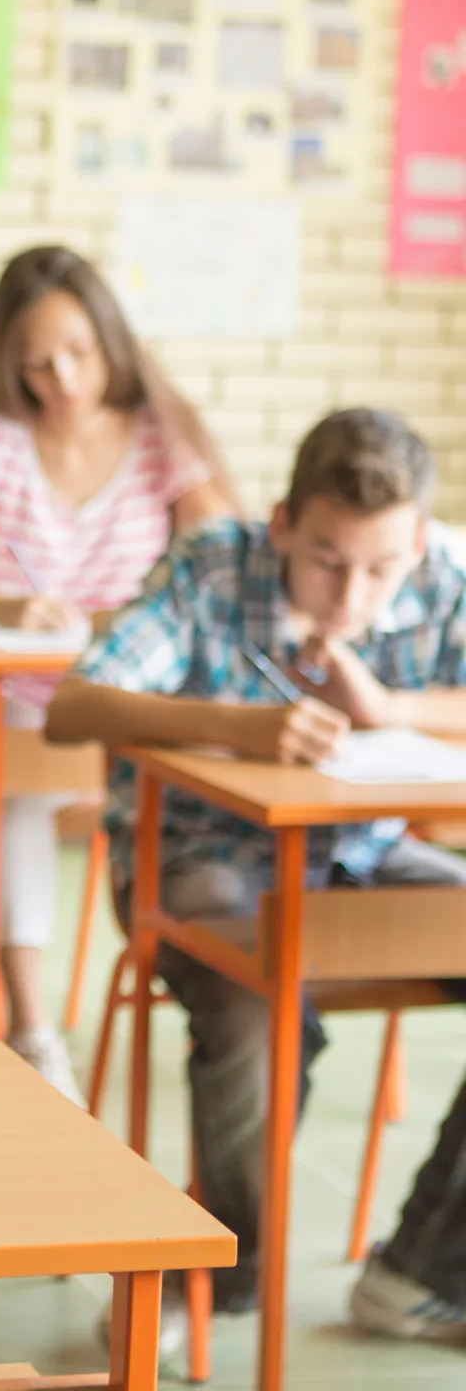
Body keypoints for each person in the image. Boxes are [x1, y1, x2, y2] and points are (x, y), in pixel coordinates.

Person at [47, 408, 466, 1348]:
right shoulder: (211, 567)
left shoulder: (442, 576)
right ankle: (217, 1275)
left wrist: (391, 705)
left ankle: (422, 1271)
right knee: (252, 998)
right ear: (281, 523)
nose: (351, 593)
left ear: (420, 544)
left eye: (382, 568)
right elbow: (70, 708)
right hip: (198, 855)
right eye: (326, 559)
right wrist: (237, 726)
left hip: (357, 855)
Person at [0, 246, 234, 1100]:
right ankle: (32, 1021)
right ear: (9, 362)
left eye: (79, 352)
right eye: (36, 363)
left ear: (111, 339)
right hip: (12, 690)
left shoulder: (161, 434)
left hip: (112, 700)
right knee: (5, 763)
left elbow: (225, 562)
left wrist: (138, 614)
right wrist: (7, 609)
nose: (63, 379)